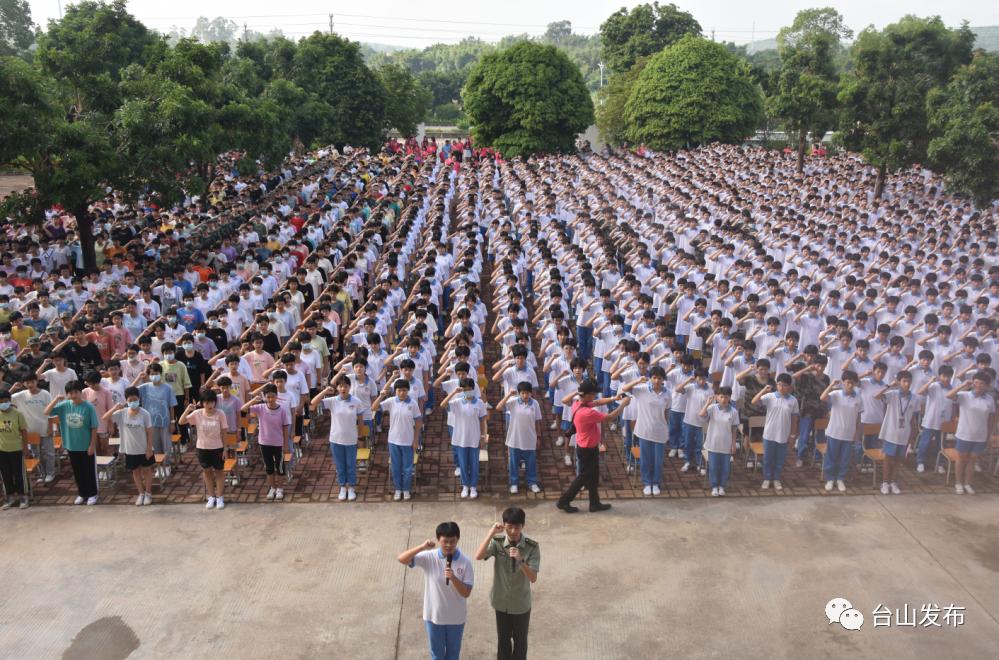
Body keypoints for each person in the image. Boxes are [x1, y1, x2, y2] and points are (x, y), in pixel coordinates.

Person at [397, 521, 473, 660]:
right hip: (433, 616)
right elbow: (402, 559)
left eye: (453, 541)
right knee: (436, 655)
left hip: (456, 618)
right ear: (438, 540)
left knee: (453, 655)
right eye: (445, 541)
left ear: (458, 540)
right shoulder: (429, 557)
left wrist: (454, 578)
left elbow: (466, 593)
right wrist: (422, 547)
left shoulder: (465, 562)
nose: (449, 545)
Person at [474, 507, 540, 660]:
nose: (513, 531)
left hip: (521, 604)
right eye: (509, 526)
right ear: (504, 525)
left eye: (517, 526)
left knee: (520, 644)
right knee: (503, 643)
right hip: (501, 602)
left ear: (522, 526)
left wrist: (521, 561)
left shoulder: (532, 547)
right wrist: (491, 533)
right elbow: (478, 556)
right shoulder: (498, 543)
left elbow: (533, 578)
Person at [556, 379, 629, 513]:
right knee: (582, 477)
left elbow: (597, 402)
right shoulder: (587, 413)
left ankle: (594, 503)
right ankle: (564, 501)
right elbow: (610, 417)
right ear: (587, 395)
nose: (595, 396)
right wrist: (623, 405)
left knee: (594, 475)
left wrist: (614, 398)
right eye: (593, 394)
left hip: (588, 447)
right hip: (587, 449)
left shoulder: (578, 403)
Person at [45, 380, 100, 505]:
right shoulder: (64, 405)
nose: (73, 395)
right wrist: (56, 399)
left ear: (81, 392)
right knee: (77, 471)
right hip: (71, 445)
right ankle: (82, 493)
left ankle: (92, 494)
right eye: (70, 393)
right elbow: (46, 412)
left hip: (86, 446)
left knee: (89, 471)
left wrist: (92, 445)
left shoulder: (88, 407)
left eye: (76, 392)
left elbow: (94, 427)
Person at [310, 376, 365, 501]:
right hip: (336, 438)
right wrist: (324, 391)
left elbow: (360, 421)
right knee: (340, 465)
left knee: (350, 464)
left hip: (351, 439)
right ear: (337, 388)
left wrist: (360, 436)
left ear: (349, 387)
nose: (343, 388)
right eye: (340, 386)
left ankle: (351, 487)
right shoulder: (333, 401)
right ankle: (342, 487)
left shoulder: (356, 402)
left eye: (345, 386)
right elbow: (313, 402)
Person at [946, 371, 997, 495]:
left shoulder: (989, 399)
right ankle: (958, 483)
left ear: (986, 386)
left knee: (972, 460)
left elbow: (991, 419)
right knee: (961, 459)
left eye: (982, 384)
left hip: (980, 435)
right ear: (972, 383)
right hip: (964, 434)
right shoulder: (965, 395)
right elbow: (949, 395)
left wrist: (988, 435)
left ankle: (968, 483)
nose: (978, 386)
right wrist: (963, 385)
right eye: (976, 383)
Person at [372, 378, 423, 501]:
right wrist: (380, 396)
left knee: (407, 467)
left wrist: (416, 441)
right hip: (393, 440)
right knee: (396, 467)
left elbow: (418, 422)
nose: (402, 393)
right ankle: (398, 489)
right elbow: (374, 408)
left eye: (404, 390)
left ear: (408, 391)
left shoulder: (413, 404)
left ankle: (406, 489)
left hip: (408, 441)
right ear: (395, 391)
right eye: (399, 390)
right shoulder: (390, 402)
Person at [180, 389, 230, 509]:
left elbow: (224, 433)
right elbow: (181, 422)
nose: (210, 405)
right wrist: (188, 409)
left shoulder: (220, 414)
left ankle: (220, 497)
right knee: (207, 471)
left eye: (212, 402)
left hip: (217, 448)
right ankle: (211, 496)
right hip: (202, 448)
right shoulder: (197, 414)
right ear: (202, 403)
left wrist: (225, 449)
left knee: (219, 472)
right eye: (207, 402)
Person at [104, 387, 154, 505]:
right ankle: (141, 493)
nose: (133, 402)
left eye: (135, 399)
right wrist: (115, 408)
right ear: (126, 400)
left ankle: (148, 493)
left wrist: (149, 448)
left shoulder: (145, 414)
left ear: (139, 399)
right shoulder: (122, 413)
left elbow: (150, 432)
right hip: (130, 449)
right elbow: (105, 418)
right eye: (130, 400)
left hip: (144, 448)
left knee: (147, 471)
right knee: (135, 472)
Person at [440, 376, 488, 499]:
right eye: (465, 389)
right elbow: (442, 405)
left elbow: (483, 421)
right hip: (459, 438)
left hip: (474, 438)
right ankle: (465, 486)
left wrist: (483, 436)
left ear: (473, 389)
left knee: (474, 464)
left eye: (469, 389)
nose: (467, 391)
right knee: (463, 463)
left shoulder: (479, 403)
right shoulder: (456, 402)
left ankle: (473, 487)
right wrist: (454, 393)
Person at [751, 373, 800, 491]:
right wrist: (763, 390)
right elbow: (754, 401)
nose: (781, 387)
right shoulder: (770, 396)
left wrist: (792, 435)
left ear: (789, 387)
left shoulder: (793, 401)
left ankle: (776, 478)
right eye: (779, 384)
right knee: (768, 458)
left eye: (784, 385)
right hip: (769, 433)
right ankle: (767, 478)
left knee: (779, 458)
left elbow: (794, 419)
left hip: (783, 435)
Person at [243, 384, 291, 501]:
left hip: (278, 443)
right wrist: (253, 400)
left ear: (276, 396)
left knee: (279, 467)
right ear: (264, 397)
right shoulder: (260, 408)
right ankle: (272, 487)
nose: (270, 399)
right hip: (264, 443)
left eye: (273, 397)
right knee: (269, 467)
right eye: (268, 397)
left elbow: (285, 428)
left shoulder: (282, 410)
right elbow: (243, 409)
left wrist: (285, 445)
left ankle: (280, 488)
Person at [819, 370, 864, 493]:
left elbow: (859, 418)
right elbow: (822, 397)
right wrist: (831, 385)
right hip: (834, 432)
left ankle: (840, 478)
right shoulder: (836, 394)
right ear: (843, 382)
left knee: (845, 458)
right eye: (848, 382)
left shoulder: (859, 399)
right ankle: (830, 478)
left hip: (849, 434)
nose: (850, 385)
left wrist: (857, 434)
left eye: (853, 383)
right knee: (831, 456)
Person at [497, 382, 542, 495]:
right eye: (522, 393)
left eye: (527, 393)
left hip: (530, 438)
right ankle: (514, 483)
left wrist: (538, 437)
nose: (525, 396)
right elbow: (498, 407)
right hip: (514, 438)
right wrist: (508, 395)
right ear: (519, 393)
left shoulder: (535, 404)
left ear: (531, 393)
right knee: (513, 462)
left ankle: (532, 482)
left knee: (531, 462)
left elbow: (537, 422)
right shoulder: (513, 402)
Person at [699, 386, 740, 496]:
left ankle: (722, 486)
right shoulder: (712, 408)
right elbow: (701, 414)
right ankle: (714, 486)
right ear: (717, 397)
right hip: (713, 444)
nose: (723, 399)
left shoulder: (734, 412)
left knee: (725, 467)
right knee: (713, 467)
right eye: (721, 397)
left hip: (726, 445)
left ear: (730, 398)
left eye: (726, 397)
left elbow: (734, 429)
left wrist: (733, 444)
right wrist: (707, 403)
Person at [0, 389, 30, 509]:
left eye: (6, 401)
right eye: (1, 401)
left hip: (16, 449)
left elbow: (24, 431)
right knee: (5, 475)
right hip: (2, 450)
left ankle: (23, 497)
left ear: (10, 400)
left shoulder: (18, 414)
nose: (3, 403)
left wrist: (25, 448)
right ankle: (9, 497)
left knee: (19, 474)